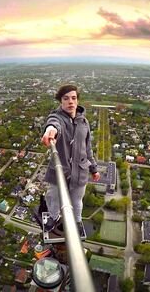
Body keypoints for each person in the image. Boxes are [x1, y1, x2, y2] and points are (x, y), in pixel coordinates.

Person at [41, 84, 100, 233]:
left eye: (73, 98)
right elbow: (53, 124)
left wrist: (94, 168)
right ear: (61, 101)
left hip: (80, 170)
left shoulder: (84, 123)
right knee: (53, 197)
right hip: (60, 170)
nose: (70, 102)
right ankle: (53, 219)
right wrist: (51, 130)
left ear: (78, 101)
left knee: (76, 201)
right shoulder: (58, 117)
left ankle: (77, 222)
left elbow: (87, 149)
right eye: (66, 98)